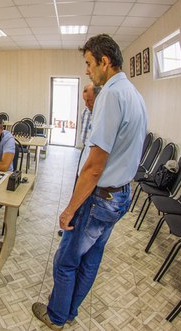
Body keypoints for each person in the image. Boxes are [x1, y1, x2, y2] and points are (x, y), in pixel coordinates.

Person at [32, 34, 147, 330]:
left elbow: (95, 167)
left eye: (88, 63)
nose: (86, 70)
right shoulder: (134, 94)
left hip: (100, 198)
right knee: (91, 258)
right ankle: (69, 311)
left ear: (104, 62)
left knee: (66, 261)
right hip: (120, 195)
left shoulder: (110, 94)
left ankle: (56, 316)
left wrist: (70, 209)